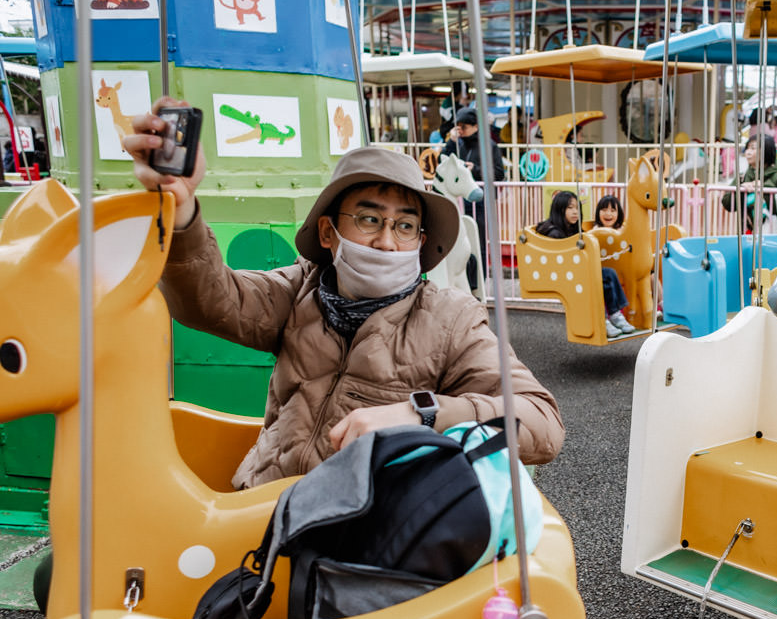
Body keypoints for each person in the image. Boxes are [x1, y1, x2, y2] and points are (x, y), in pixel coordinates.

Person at [122, 98, 564, 490]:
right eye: (370, 220)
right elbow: (210, 301)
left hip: (363, 538)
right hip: (260, 509)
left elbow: (540, 422)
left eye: (405, 225)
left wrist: (421, 414)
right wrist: (180, 210)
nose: (388, 242)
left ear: (421, 240)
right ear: (328, 232)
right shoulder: (299, 290)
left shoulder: (451, 318)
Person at [535, 191, 634, 338]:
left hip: (577, 270)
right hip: (565, 273)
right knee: (597, 281)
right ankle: (603, 319)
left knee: (609, 273)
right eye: (570, 208)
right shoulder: (554, 233)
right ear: (560, 209)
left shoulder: (572, 229)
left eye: (577, 208)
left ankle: (614, 315)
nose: (575, 212)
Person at [443, 106, 505, 276]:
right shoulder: (457, 144)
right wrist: (451, 142)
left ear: (476, 127)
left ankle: (480, 279)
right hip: (458, 201)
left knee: (478, 241)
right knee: (459, 241)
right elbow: (443, 164)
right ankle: (464, 281)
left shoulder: (489, 146)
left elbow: (499, 173)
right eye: (458, 126)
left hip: (481, 202)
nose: (460, 130)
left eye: (464, 127)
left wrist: (475, 169)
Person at [722, 134, 777, 233]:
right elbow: (727, 204)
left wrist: (765, 189)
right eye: (747, 148)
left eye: (753, 148)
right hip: (746, 234)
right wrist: (741, 189)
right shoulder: (743, 176)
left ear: (766, 151)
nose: (748, 152)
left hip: (771, 233)